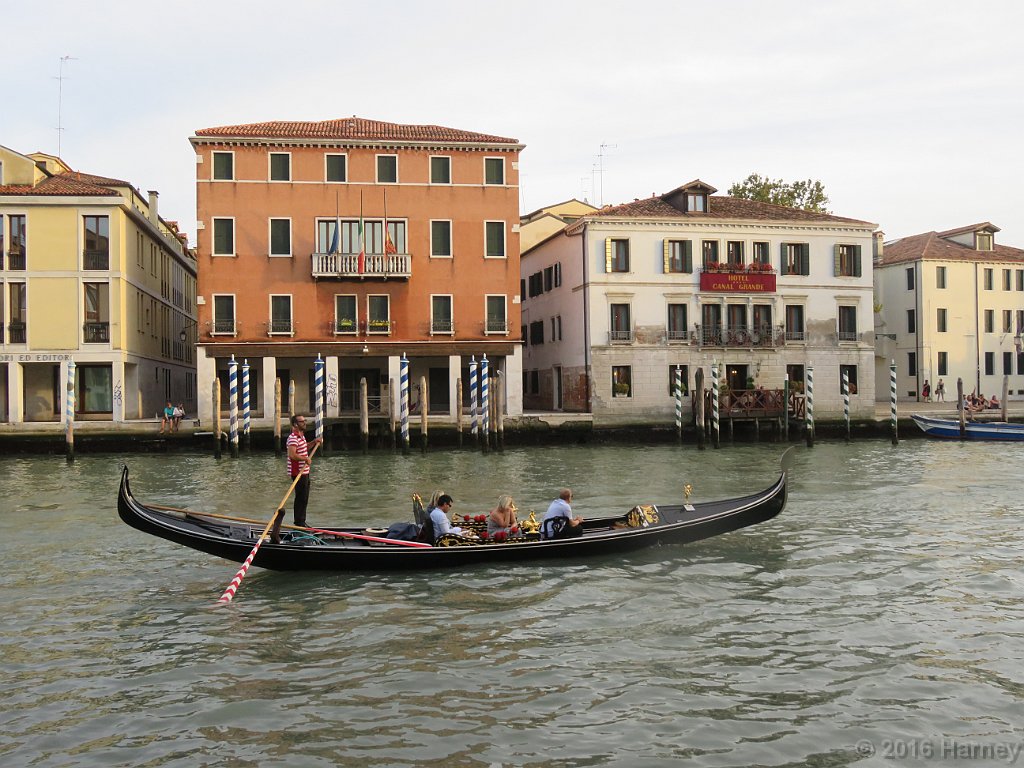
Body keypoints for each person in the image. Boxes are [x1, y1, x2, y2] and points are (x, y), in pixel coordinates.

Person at [272, 414, 323, 543]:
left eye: (304, 420)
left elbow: (304, 448)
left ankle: (301, 522)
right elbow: (292, 455)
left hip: (305, 472)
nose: (304, 422)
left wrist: (314, 442)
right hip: (297, 472)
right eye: (302, 421)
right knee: (301, 498)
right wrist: (305, 459)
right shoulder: (293, 438)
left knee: (304, 498)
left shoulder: (301, 436)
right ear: (295, 424)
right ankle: (299, 523)